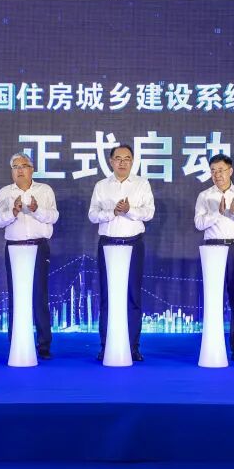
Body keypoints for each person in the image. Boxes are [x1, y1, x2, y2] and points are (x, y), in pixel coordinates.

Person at [88, 144, 155, 362]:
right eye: (118, 158)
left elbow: (149, 212)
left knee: (132, 296)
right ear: (111, 161)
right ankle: (106, 345)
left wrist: (129, 210)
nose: (122, 162)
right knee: (107, 296)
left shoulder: (142, 184)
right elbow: (92, 215)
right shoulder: (101, 186)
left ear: (133, 161)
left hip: (133, 243)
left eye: (127, 159)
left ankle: (133, 347)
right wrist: (113, 212)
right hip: (108, 244)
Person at [194, 154, 234, 362]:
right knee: (214, 299)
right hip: (213, 249)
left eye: (220, 170)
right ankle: (214, 343)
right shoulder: (204, 195)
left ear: (230, 171)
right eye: (213, 171)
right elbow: (199, 224)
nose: (217, 175)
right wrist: (218, 213)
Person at [0, 152, 58, 360]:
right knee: (16, 295)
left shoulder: (44, 190)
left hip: (38, 247)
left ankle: (44, 344)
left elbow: (53, 216)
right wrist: (13, 212)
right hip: (15, 248)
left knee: (39, 296)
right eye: (15, 167)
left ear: (32, 169)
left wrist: (36, 210)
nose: (19, 170)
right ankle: (16, 340)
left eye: (23, 166)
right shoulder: (5, 193)